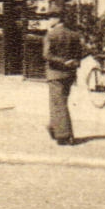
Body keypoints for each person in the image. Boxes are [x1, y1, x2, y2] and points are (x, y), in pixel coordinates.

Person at [42, 13, 83, 145]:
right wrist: (73, 61)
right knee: (60, 101)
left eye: (50, 17)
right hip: (69, 74)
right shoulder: (74, 34)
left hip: (55, 73)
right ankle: (54, 127)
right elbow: (80, 53)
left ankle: (64, 135)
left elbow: (46, 54)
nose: (48, 20)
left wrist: (62, 61)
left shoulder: (51, 35)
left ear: (56, 19)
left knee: (58, 103)